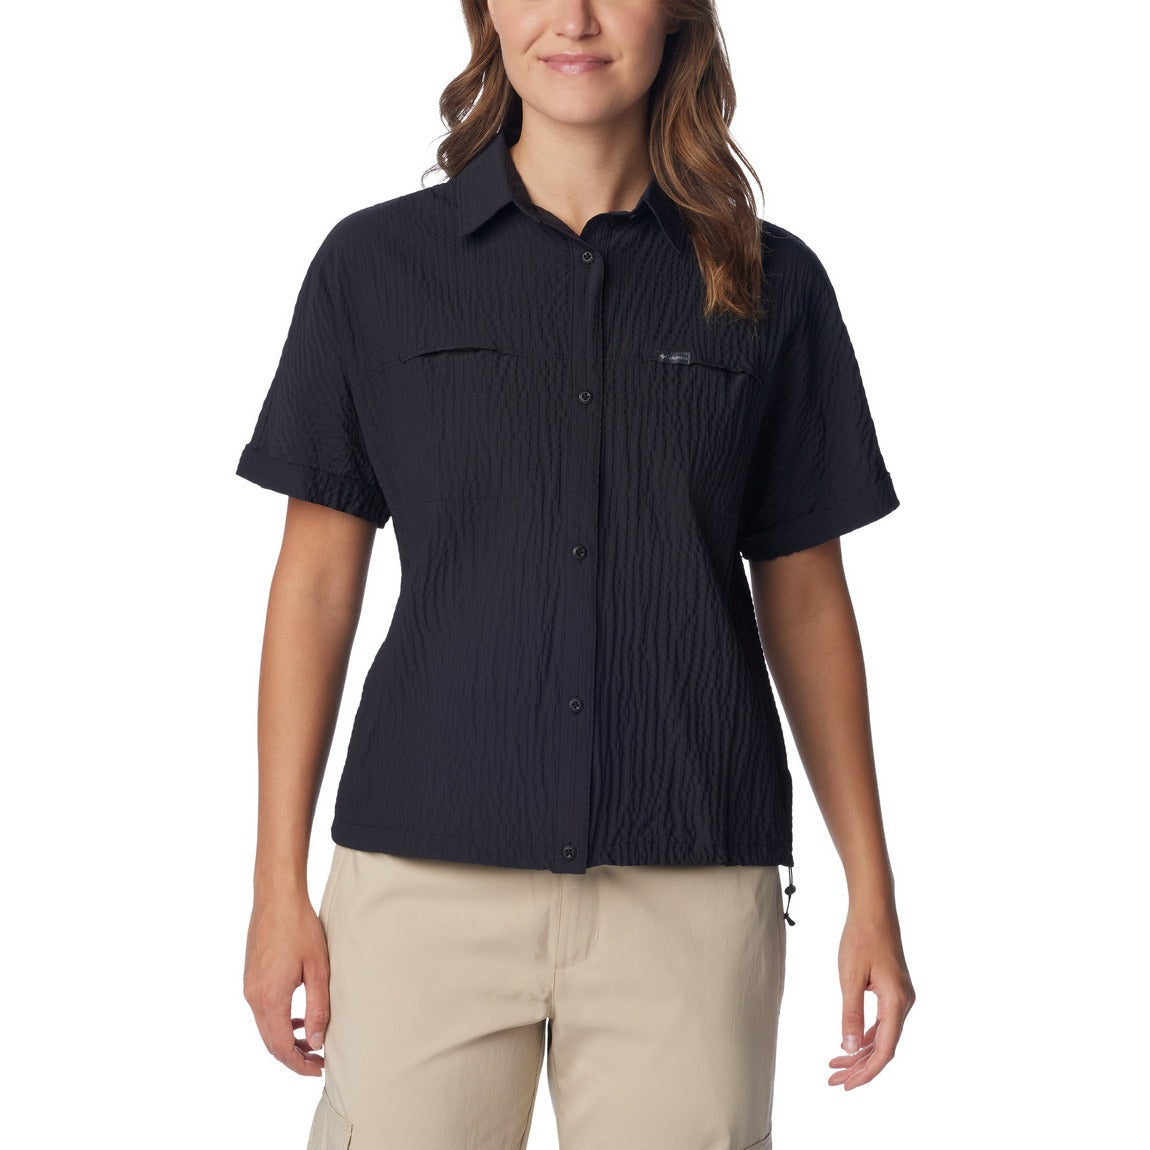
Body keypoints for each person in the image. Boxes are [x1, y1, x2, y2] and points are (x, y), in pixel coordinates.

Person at [238, 1, 916, 1146]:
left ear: (676, 16)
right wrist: (275, 887)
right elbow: (313, 585)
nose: (576, 18)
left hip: (688, 882)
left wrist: (872, 892)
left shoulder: (770, 282)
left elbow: (805, 595)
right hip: (421, 879)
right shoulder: (374, 266)